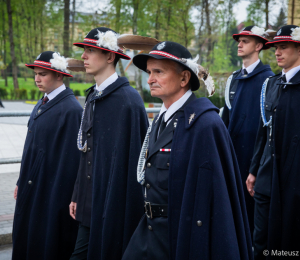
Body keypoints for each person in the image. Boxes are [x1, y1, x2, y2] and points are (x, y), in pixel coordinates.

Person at [122, 41, 253, 260]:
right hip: (149, 235)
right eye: (149, 72)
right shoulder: (161, 120)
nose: (150, 79)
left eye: (159, 72)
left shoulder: (205, 124)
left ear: (184, 78)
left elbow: (216, 200)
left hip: (182, 239)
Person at [69, 27, 149, 260]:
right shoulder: (92, 96)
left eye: (90, 50)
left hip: (114, 207)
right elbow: (86, 151)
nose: (83, 56)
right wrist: (77, 194)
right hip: (89, 204)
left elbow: (138, 162)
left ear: (110, 56)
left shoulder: (129, 101)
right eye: (84, 50)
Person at [12, 51, 83, 260]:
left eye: (43, 74)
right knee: (27, 239)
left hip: (50, 194)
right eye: (35, 73)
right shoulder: (42, 102)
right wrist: (20, 179)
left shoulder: (71, 110)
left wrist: (61, 200)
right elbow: (31, 147)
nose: (36, 78)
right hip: (32, 186)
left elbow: (71, 162)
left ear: (59, 75)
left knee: (46, 243)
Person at [247, 25, 300, 259]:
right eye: (276, 47)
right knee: (260, 241)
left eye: (284, 47)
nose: (278, 52)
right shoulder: (271, 84)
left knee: (287, 245)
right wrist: (254, 170)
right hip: (267, 176)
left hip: (293, 180)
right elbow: (263, 130)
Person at [221, 26, 274, 235]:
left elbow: (267, 128)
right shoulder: (232, 79)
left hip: (256, 164)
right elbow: (225, 122)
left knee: (253, 224)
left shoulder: (269, 80)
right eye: (239, 41)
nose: (239, 44)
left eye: (245, 41)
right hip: (232, 159)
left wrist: (256, 168)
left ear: (259, 46)